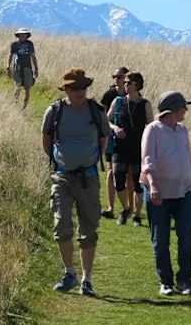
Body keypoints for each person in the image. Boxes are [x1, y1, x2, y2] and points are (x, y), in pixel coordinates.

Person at [42, 68, 111, 297]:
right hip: (62, 176)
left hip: (88, 177)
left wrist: (89, 161)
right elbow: (46, 141)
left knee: (88, 229)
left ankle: (86, 280)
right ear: (66, 90)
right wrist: (62, 161)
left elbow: (104, 140)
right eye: (75, 88)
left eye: (83, 87)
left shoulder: (96, 111)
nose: (80, 91)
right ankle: (69, 273)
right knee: (61, 225)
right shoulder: (55, 111)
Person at [140, 91, 191, 296]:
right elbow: (147, 161)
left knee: (186, 236)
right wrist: (152, 185)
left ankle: (185, 280)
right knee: (161, 239)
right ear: (174, 110)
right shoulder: (153, 130)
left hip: (184, 191)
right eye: (184, 107)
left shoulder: (183, 130)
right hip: (158, 193)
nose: (186, 111)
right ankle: (165, 281)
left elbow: (189, 160)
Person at [107, 71, 154, 226]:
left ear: (137, 85)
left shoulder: (144, 104)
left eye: (129, 82)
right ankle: (126, 208)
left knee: (138, 183)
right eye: (125, 82)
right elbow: (106, 121)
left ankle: (137, 215)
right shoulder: (118, 101)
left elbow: (151, 126)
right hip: (120, 148)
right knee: (118, 181)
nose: (125, 84)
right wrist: (115, 129)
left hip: (138, 149)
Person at [99, 67, 131, 220]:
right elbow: (102, 116)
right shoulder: (109, 94)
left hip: (129, 140)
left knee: (129, 173)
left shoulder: (131, 94)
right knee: (111, 170)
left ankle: (129, 207)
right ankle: (111, 207)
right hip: (111, 138)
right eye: (115, 77)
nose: (116, 80)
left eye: (119, 77)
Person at [6, 27, 39, 109]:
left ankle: (24, 107)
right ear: (18, 35)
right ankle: (16, 104)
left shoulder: (30, 44)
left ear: (27, 35)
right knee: (18, 85)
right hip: (17, 68)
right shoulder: (14, 44)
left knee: (27, 88)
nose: (23, 36)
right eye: (21, 34)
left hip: (27, 68)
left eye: (24, 34)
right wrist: (8, 67)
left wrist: (36, 69)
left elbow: (33, 56)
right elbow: (10, 55)